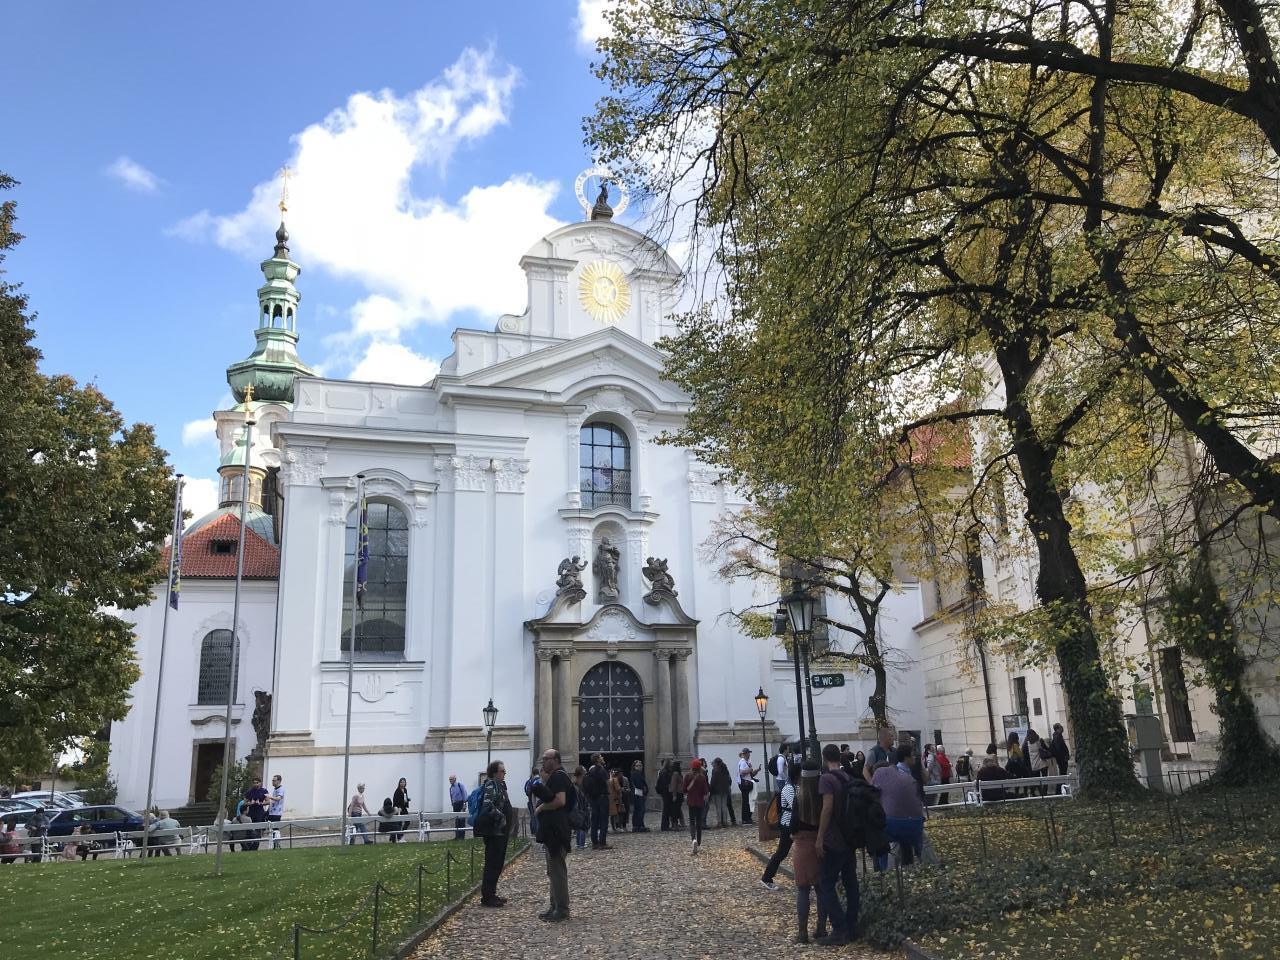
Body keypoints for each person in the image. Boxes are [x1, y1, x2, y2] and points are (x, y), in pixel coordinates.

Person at [815, 744, 858, 945]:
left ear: (824, 759)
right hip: (849, 837)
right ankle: (852, 926)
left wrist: (820, 836)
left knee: (826, 884)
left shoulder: (826, 779)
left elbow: (827, 808)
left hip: (834, 838)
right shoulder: (846, 777)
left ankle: (840, 929)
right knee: (851, 883)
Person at [789, 761, 828, 943]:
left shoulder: (799, 797)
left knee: (803, 889)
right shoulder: (823, 797)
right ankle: (821, 927)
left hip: (802, 844)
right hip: (820, 841)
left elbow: (792, 825)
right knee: (821, 889)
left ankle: (802, 931)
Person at [532, 749, 572, 923]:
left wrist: (541, 807)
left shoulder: (559, 777)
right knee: (553, 871)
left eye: (545, 758)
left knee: (557, 871)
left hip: (557, 830)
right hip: (552, 830)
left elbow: (560, 801)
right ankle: (554, 906)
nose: (543, 761)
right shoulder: (555, 777)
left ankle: (562, 909)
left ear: (555, 760)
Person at [872, 747, 926, 869]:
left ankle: (886, 870)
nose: (915, 757)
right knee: (914, 840)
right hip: (915, 822)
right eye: (912, 755)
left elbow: (873, 799)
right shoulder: (906, 776)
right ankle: (920, 865)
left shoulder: (881, 776)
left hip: (894, 823)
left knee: (883, 838)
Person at [477, 759, 515, 907]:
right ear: (494, 773)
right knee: (492, 863)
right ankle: (487, 896)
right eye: (502, 771)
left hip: (501, 832)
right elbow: (488, 806)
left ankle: (491, 893)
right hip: (494, 832)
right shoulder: (491, 785)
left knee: (498, 863)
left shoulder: (500, 785)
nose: (504, 773)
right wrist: (502, 818)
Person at [761, 758, 798, 890]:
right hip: (788, 824)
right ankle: (766, 877)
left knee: (800, 850)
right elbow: (796, 804)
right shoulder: (788, 788)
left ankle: (806, 878)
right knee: (781, 852)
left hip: (793, 823)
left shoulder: (794, 786)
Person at [583, 753, 611, 849]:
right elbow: (607, 783)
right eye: (601, 756)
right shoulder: (602, 770)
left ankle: (594, 843)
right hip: (602, 797)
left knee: (594, 820)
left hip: (593, 798)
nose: (602, 757)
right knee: (604, 820)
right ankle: (602, 842)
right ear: (598, 759)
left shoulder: (591, 771)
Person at [684, 758, 709, 854]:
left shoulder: (687, 776)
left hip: (691, 802)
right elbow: (705, 791)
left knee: (692, 821)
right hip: (700, 802)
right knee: (699, 822)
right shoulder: (702, 777)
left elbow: (684, 790)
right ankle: (698, 842)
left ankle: (693, 839)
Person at [244, 777, 269, 851]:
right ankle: (248, 846)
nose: (255, 784)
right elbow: (245, 802)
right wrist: (250, 803)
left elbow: (268, 802)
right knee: (250, 829)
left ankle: (255, 847)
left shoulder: (264, 791)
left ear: (260, 783)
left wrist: (261, 803)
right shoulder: (249, 791)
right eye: (254, 783)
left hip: (259, 812)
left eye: (257, 783)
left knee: (258, 829)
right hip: (251, 812)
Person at [709, 758, 733, 828]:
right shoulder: (725, 770)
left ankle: (719, 822)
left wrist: (711, 790)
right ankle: (725, 821)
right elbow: (729, 780)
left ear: (716, 763)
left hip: (717, 791)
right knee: (724, 806)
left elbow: (713, 781)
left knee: (718, 807)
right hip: (725, 790)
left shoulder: (715, 770)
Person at [1025, 729, 1050, 795]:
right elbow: (1047, 748)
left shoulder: (1027, 743)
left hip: (1034, 764)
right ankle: (1044, 793)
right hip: (1043, 763)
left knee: (1038, 780)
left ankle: (1041, 793)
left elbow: (1025, 754)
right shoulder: (1039, 741)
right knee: (1045, 779)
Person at [737, 748, 758, 824]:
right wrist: (750, 770)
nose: (749, 754)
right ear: (746, 754)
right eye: (748, 753)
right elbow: (742, 772)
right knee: (746, 801)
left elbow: (749, 774)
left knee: (748, 801)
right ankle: (745, 819)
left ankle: (747, 818)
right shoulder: (743, 762)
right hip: (744, 783)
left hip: (746, 783)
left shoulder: (746, 762)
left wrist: (755, 771)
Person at [571, 766, 589, 849]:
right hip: (581, 805)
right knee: (583, 825)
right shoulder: (581, 782)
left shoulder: (574, 781)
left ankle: (579, 843)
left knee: (579, 825)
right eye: (584, 770)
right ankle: (581, 843)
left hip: (578, 805)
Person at [630, 759, 649, 832]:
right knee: (640, 810)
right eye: (638, 765)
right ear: (634, 767)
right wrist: (644, 789)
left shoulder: (639, 773)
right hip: (638, 794)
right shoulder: (636, 773)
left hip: (639, 794)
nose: (640, 767)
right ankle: (638, 826)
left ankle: (639, 825)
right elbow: (638, 784)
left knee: (638, 810)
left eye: (641, 765)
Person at [524, 766, 543, 838]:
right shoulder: (541, 780)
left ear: (532, 773)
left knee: (534, 817)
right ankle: (538, 833)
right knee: (539, 818)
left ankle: (534, 832)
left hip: (532, 802)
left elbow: (527, 792)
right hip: (541, 802)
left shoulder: (530, 781)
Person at [268, 774, 286, 849]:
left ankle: (277, 844)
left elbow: (278, 798)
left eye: (274, 780)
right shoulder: (275, 789)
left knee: (276, 829)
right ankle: (273, 844)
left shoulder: (281, 789)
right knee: (272, 829)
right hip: (272, 812)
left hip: (277, 813)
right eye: (272, 780)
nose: (272, 782)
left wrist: (270, 797)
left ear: (279, 781)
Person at [448, 774, 467, 841]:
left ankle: (462, 837)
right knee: (456, 821)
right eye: (449, 779)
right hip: (455, 804)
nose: (450, 781)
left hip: (461, 803)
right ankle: (457, 836)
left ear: (455, 779)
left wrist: (464, 804)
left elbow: (464, 794)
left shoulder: (460, 785)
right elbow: (451, 796)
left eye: (451, 779)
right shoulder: (451, 788)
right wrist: (452, 803)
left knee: (461, 820)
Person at [656, 760, 673, 831]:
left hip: (665, 792)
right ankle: (664, 826)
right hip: (666, 793)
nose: (672, 764)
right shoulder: (665, 772)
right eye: (671, 763)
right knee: (666, 809)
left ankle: (666, 825)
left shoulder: (665, 771)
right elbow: (665, 783)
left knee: (667, 809)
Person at [392, 777, 411, 841]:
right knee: (399, 823)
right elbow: (395, 800)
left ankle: (401, 834)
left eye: (403, 782)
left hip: (404, 807)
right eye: (401, 782)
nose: (402, 783)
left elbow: (405, 798)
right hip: (399, 808)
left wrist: (408, 800)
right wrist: (398, 808)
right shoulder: (397, 790)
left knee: (407, 821)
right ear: (399, 783)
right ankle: (399, 837)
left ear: (405, 783)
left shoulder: (405, 790)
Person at [668, 760, 685, 829]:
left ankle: (676, 824)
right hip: (677, 793)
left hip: (679, 793)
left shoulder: (678, 773)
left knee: (677, 809)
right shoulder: (675, 774)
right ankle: (674, 824)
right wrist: (674, 795)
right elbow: (674, 785)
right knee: (675, 810)